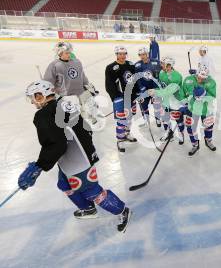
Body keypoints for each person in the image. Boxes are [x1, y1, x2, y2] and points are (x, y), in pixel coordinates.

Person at [18, 80, 131, 232]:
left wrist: (39, 166)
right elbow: (84, 127)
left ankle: (122, 211)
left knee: (91, 190)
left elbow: (55, 144)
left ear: (40, 95)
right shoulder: (64, 103)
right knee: (64, 184)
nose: (32, 102)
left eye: (33, 97)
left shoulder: (43, 115)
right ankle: (88, 209)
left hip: (76, 160)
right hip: (79, 153)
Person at [43, 41, 100, 127]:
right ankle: (78, 123)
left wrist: (88, 86)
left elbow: (82, 76)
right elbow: (48, 81)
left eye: (70, 52)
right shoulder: (54, 65)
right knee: (74, 112)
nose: (69, 54)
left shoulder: (76, 62)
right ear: (60, 53)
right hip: (66, 95)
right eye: (66, 53)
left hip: (80, 91)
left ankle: (91, 116)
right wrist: (48, 94)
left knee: (92, 104)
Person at [105, 46, 139, 152]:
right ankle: (120, 140)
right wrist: (116, 97)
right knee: (121, 120)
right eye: (120, 54)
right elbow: (109, 85)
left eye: (124, 54)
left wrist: (137, 93)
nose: (122, 56)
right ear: (116, 54)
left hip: (131, 96)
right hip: (120, 98)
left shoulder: (130, 65)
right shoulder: (111, 67)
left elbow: (135, 80)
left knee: (129, 117)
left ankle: (127, 134)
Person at [149, 56, 186, 144]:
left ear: (169, 65)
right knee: (165, 118)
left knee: (178, 119)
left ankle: (181, 134)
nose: (161, 65)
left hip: (175, 102)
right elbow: (162, 86)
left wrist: (156, 92)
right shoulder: (162, 73)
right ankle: (168, 132)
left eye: (163, 64)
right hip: (165, 100)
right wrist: (155, 90)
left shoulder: (177, 76)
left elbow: (169, 91)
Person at [182, 65, 217, 156]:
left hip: (206, 109)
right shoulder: (188, 80)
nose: (200, 79)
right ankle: (195, 144)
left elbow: (213, 96)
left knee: (209, 125)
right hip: (192, 109)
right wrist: (184, 102)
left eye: (203, 78)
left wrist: (204, 95)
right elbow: (183, 92)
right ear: (196, 74)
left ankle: (208, 140)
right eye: (199, 77)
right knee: (191, 127)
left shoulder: (211, 82)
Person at [134, 46, 162, 128]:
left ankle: (158, 118)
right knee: (143, 105)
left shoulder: (156, 62)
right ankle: (146, 119)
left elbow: (164, 70)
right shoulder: (137, 65)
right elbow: (135, 78)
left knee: (157, 104)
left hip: (154, 89)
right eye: (140, 55)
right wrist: (139, 88)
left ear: (147, 54)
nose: (142, 56)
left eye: (144, 54)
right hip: (143, 89)